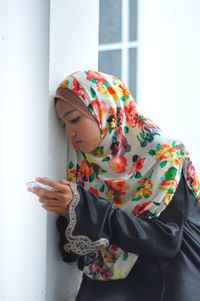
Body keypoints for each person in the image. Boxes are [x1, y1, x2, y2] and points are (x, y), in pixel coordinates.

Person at [27, 70, 200, 301]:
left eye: (74, 119)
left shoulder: (165, 156)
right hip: (113, 285)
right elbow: (71, 254)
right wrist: (71, 210)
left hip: (166, 281)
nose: (69, 133)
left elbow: (166, 240)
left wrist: (85, 209)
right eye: (63, 124)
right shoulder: (85, 168)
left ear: (107, 111)